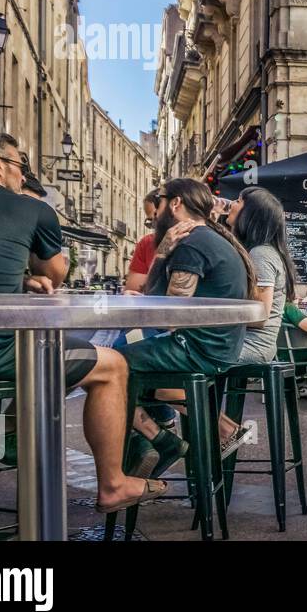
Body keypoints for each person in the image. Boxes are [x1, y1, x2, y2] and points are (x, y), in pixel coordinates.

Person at [0, 130, 164, 513]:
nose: (22, 176)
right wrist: (32, 273)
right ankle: (113, 484)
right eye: (19, 165)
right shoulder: (31, 209)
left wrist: (17, 279)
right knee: (112, 366)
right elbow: (54, 274)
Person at [120, 178, 258, 472]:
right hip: (220, 348)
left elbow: (166, 315)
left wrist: (160, 254)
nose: (154, 213)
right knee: (129, 370)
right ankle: (217, 431)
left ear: (175, 203)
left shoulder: (188, 243)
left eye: (158, 203)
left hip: (198, 350)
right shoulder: (213, 238)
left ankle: (159, 441)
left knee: (106, 366)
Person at [228, 187, 299, 364]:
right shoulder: (261, 251)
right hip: (246, 344)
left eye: (238, 201)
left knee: (185, 358)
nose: (231, 204)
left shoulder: (261, 254)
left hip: (251, 346)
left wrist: (217, 318)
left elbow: (260, 316)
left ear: (250, 214)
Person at [124, 191, 161, 294]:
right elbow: (132, 292)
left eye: (157, 219)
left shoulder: (193, 241)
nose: (155, 227)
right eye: (151, 222)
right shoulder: (147, 243)